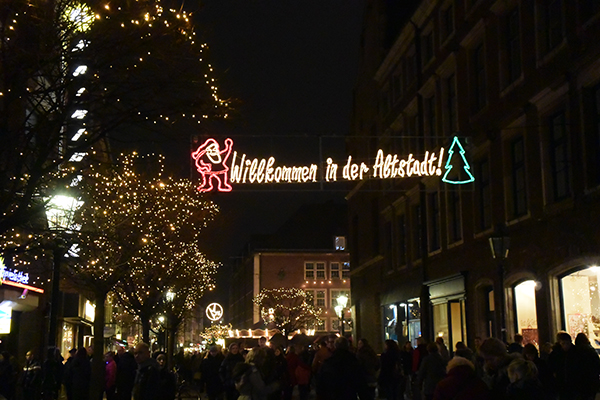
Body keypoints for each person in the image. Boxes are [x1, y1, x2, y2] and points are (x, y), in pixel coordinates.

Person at [574, 332, 600, 400]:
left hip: (579, 380)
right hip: (591, 380)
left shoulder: (575, 352)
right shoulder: (591, 351)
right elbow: (597, 365)